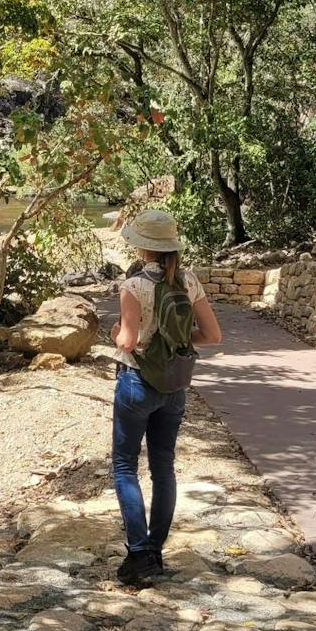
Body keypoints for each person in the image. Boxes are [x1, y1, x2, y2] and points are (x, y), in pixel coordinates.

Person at [109, 208, 223, 585]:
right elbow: (212, 336)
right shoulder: (189, 281)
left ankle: (139, 553)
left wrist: (117, 334)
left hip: (136, 382)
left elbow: (127, 340)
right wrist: (174, 340)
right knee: (163, 467)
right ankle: (155, 550)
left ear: (143, 248)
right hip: (174, 386)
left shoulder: (134, 286)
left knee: (126, 466)